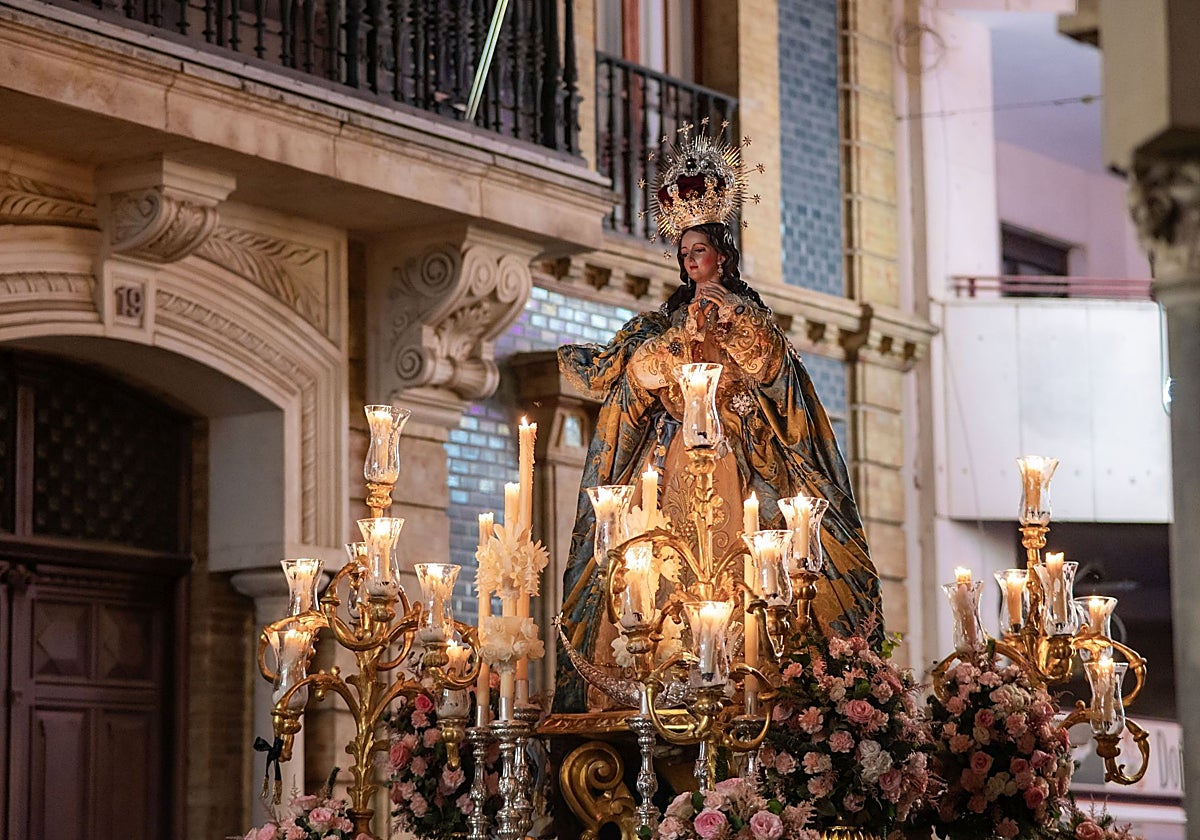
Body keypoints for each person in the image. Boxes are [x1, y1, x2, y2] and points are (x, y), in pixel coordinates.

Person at [552, 134, 882, 714]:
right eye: (683, 252)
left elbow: (775, 373)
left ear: (721, 256)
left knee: (754, 567)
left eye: (699, 250)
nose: (690, 260)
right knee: (661, 570)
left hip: (745, 463)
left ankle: (755, 668)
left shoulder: (748, 316)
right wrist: (680, 342)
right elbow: (640, 373)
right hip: (673, 465)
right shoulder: (664, 323)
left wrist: (730, 326)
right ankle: (663, 663)